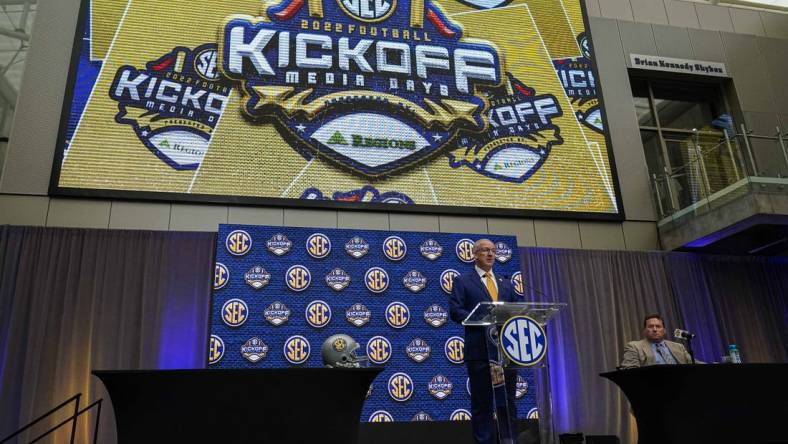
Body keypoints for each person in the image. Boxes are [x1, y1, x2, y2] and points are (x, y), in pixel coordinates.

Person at [449, 238, 521, 444]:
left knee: (508, 402)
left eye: (493, 251)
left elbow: (517, 311)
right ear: (474, 254)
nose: (490, 254)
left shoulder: (506, 284)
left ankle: (509, 440)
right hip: (480, 352)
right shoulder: (463, 281)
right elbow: (456, 311)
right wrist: (481, 317)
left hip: (506, 352)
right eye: (484, 250)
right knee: (483, 404)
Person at [619, 314, 693, 368]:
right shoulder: (634, 347)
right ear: (644, 331)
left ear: (664, 331)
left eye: (658, 326)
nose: (654, 329)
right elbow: (630, 371)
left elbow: (693, 363)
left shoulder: (678, 347)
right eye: (650, 326)